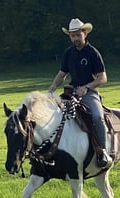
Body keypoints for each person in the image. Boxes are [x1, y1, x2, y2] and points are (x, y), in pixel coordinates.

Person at [48, 18, 112, 169]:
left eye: (78, 35)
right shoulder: (68, 53)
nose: (75, 38)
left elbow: (103, 78)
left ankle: (102, 151)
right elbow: (61, 75)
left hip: (90, 93)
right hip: (72, 92)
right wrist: (51, 89)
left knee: (97, 116)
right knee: (54, 115)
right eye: (72, 35)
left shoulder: (92, 53)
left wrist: (87, 87)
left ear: (85, 34)